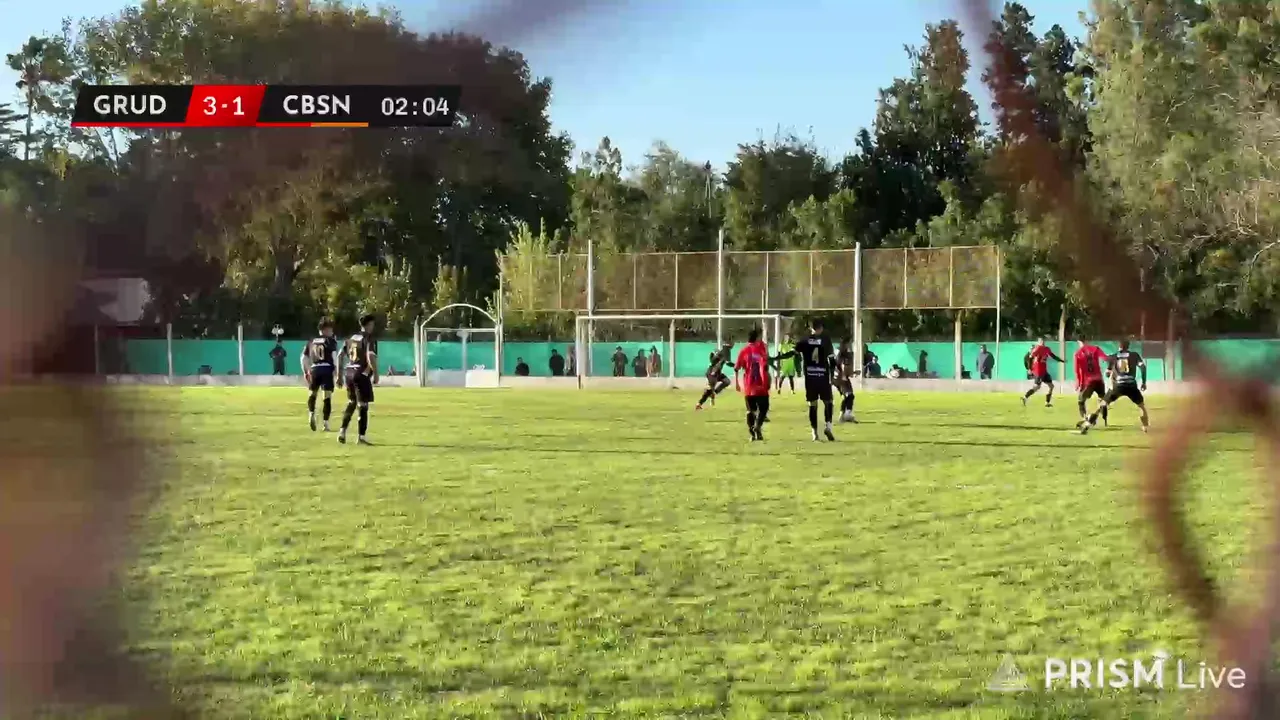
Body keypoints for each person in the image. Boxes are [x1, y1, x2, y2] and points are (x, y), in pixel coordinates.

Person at [773, 317, 837, 441]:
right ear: (821, 328)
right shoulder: (826, 340)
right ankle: (828, 427)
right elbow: (832, 360)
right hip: (823, 377)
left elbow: (792, 353)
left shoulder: (804, 340)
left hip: (810, 378)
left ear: (810, 328)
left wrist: (775, 359)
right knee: (828, 402)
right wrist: (832, 375)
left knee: (812, 405)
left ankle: (814, 433)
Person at [1081, 339, 1148, 435]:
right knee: (1141, 406)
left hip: (1118, 385)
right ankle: (1145, 427)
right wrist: (1144, 382)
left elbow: (1107, 373)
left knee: (1102, 404)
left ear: (1119, 347)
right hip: (1131, 385)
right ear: (1128, 346)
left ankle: (1088, 424)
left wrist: (1109, 373)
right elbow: (1143, 367)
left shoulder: (1114, 356)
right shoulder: (1134, 355)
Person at [338, 314, 378, 445]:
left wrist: (339, 375)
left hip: (349, 373)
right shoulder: (369, 338)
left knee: (351, 402)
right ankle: (361, 437)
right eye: (372, 324)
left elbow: (340, 355)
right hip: (361, 374)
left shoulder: (351, 338)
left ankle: (342, 431)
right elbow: (370, 356)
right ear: (369, 325)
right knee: (363, 405)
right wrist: (376, 373)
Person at [734, 328, 772, 441]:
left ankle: (753, 434)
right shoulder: (761, 350)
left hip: (749, 386)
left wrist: (737, 383)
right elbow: (765, 366)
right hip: (761, 385)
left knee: (750, 411)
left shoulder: (743, 351)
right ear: (757, 338)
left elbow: (736, 368)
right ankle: (757, 427)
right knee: (764, 408)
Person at [301, 319, 339, 432]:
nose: (332, 332)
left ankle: (311, 413)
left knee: (312, 393)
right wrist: (337, 371)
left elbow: (303, 358)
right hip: (327, 369)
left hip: (314, 369)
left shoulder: (311, 341)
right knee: (327, 397)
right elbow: (334, 356)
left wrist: (305, 371)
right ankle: (325, 424)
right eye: (330, 330)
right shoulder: (330, 341)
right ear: (326, 330)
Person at [1073, 338, 1110, 429]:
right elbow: (1105, 358)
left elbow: (1077, 370)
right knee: (1102, 399)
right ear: (1086, 341)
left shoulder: (1078, 354)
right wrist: (1109, 367)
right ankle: (1105, 420)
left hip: (1089, 381)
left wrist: (1079, 383)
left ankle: (1085, 418)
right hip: (1099, 379)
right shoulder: (1095, 348)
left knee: (1081, 400)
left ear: (1079, 342)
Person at [1021, 338, 1064, 407]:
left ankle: (1047, 402)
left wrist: (1061, 360)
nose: (1043, 342)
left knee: (1051, 386)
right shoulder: (1037, 349)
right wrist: (1029, 369)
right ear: (1038, 342)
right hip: (1038, 371)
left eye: (1043, 341)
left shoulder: (1047, 349)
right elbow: (1030, 357)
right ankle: (1025, 397)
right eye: (1041, 341)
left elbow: (1053, 356)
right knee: (1037, 387)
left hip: (1044, 371)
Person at [695, 341, 733, 410]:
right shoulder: (725, 351)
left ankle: (713, 393)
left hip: (716, 373)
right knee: (709, 389)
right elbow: (726, 363)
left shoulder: (722, 352)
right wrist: (736, 366)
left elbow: (719, 361)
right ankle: (699, 403)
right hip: (712, 372)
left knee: (727, 381)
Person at [835, 339, 858, 423]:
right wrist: (845, 375)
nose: (850, 345)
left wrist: (853, 372)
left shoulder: (841, 352)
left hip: (839, 377)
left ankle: (844, 416)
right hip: (841, 378)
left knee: (847, 396)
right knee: (849, 395)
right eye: (849, 344)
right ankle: (846, 415)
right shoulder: (843, 354)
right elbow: (842, 366)